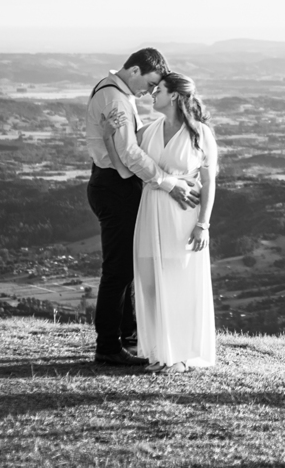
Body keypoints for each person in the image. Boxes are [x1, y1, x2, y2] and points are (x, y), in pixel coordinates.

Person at [85, 48, 199, 366]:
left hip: (116, 183)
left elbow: (125, 152)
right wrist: (168, 182)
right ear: (134, 70)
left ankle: (128, 336)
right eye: (150, 83)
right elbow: (130, 155)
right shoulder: (115, 99)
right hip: (114, 187)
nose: (149, 91)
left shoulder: (119, 95)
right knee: (118, 270)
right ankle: (108, 346)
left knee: (127, 267)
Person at [106, 72, 218, 373]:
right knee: (151, 284)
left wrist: (203, 224)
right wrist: (110, 135)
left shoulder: (201, 134)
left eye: (159, 90)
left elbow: (209, 182)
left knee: (178, 282)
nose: (152, 94)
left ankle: (180, 356)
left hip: (182, 217)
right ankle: (160, 352)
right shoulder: (149, 130)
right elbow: (127, 169)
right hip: (150, 211)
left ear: (175, 96)